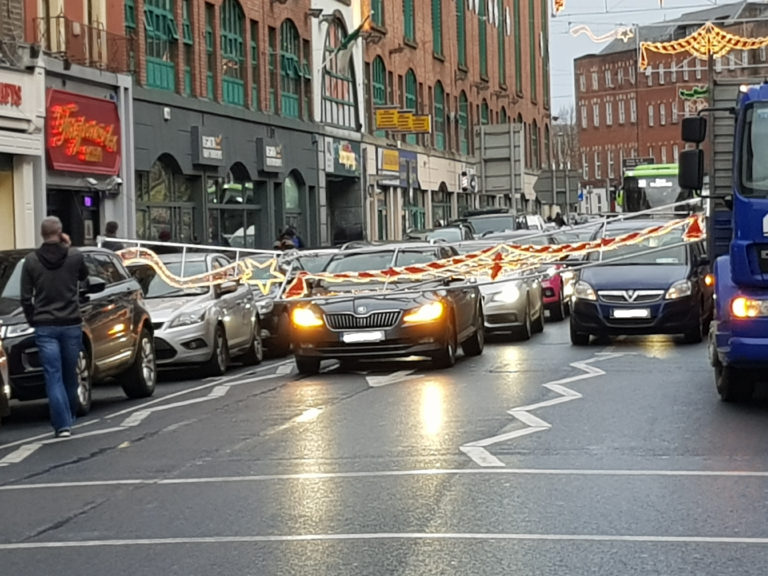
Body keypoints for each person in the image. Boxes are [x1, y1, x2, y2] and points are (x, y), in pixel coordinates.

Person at [21, 216, 88, 438]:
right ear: (60, 233)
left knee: (53, 375)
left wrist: (34, 320)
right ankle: (68, 417)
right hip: (71, 323)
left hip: (45, 326)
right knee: (70, 374)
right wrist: (68, 247)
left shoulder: (31, 261)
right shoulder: (75, 256)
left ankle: (62, 425)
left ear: (42, 234)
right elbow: (85, 276)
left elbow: (25, 297)